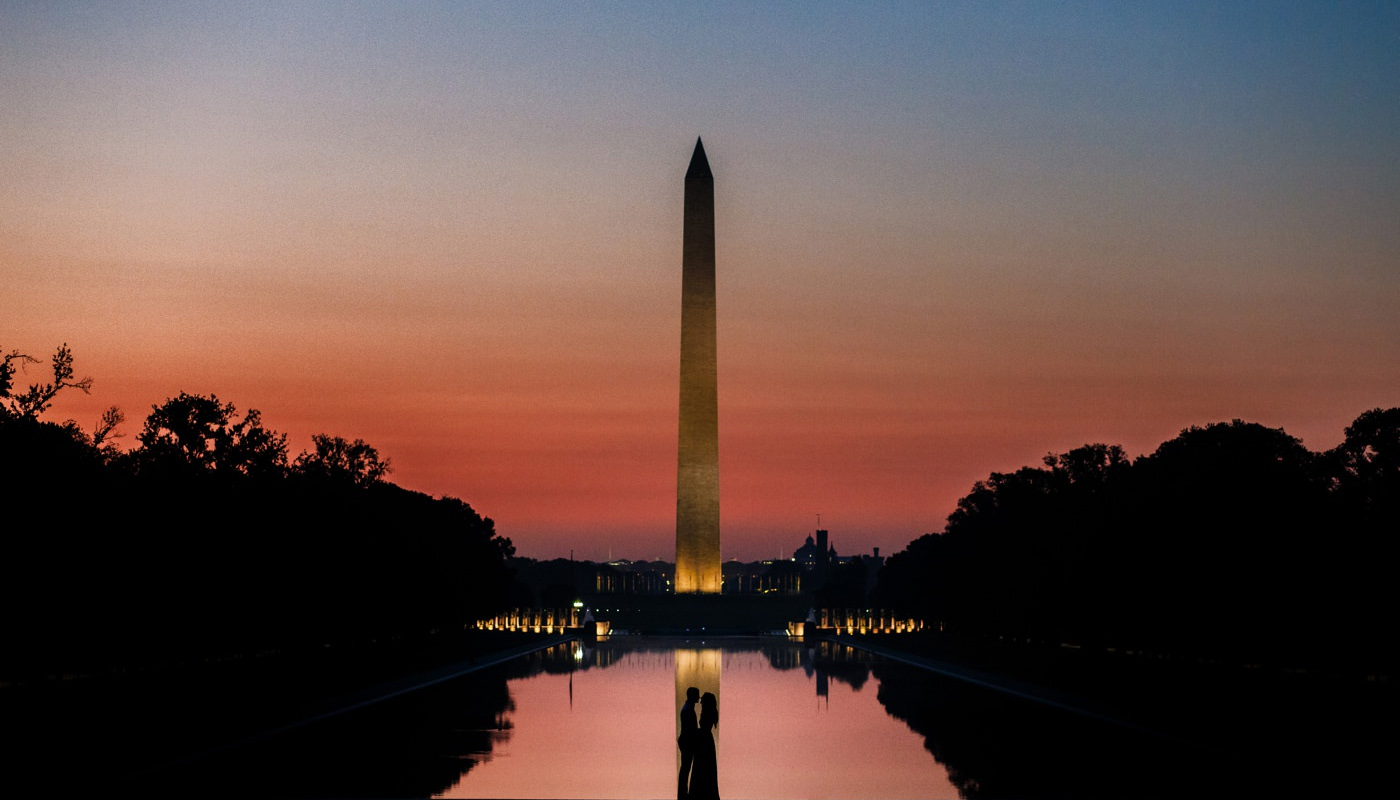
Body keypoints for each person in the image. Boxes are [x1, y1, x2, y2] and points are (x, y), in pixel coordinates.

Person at [687, 692, 720, 800]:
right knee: (706, 769)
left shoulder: (706, 713)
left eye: (703, 701)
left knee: (701, 768)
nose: (701, 703)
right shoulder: (710, 712)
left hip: (703, 743)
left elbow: (704, 729)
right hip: (706, 742)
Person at [677, 686, 700, 799]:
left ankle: (683, 792)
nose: (699, 698)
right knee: (685, 768)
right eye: (697, 695)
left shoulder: (688, 708)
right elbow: (690, 729)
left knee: (685, 767)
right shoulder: (688, 710)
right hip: (687, 742)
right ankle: (682, 792)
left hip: (686, 741)